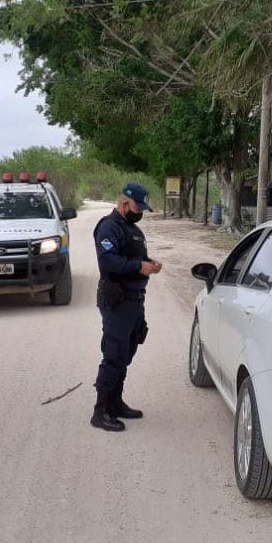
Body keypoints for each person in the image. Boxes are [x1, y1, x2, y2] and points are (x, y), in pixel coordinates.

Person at [91, 182, 163, 432]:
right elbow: (108, 261)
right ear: (124, 203)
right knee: (114, 354)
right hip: (117, 298)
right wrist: (137, 267)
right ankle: (100, 411)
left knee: (127, 351)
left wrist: (148, 263)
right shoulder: (109, 227)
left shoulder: (131, 229)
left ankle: (115, 402)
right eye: (137, 206)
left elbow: (133, 257)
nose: (140, 211)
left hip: (135, 299)